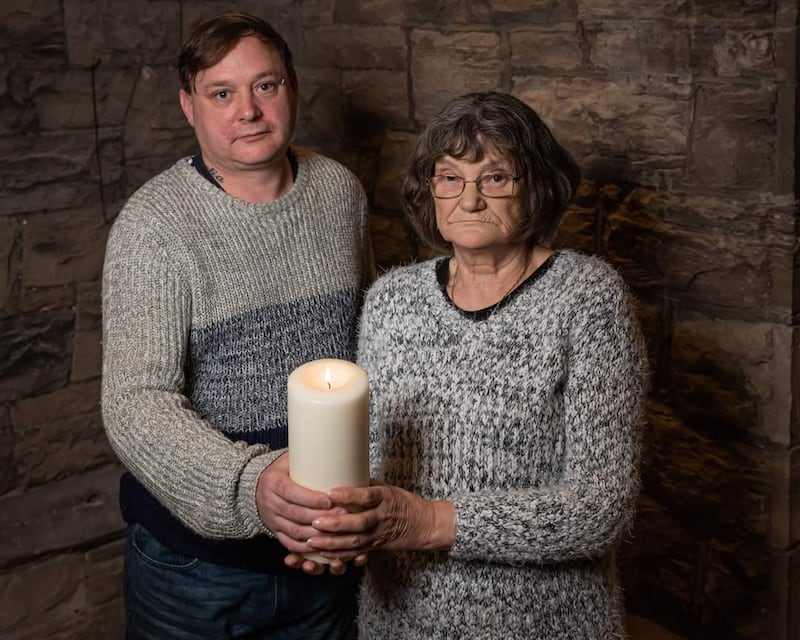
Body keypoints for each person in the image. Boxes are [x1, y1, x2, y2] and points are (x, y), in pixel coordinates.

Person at [291, 91, 649, 639]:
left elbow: (601, 510)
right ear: (429, 189)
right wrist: (338, 526)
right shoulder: (392, 299)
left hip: (544, 623)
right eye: (450, 177)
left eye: (497, 177)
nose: (471, 199)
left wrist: (429, 521)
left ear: (539, 187)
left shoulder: (586, 297)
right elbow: (369, 467)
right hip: (399, 621)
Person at [101, 11, 372, 640]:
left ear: (293, 89)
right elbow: (135, 404)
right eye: (221, 93)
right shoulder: (155, 226)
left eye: (265, 86)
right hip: (197, 572)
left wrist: (353, 505)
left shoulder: (339, 192)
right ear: (188, 106)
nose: (247, 110)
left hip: (326, 555)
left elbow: (365, 355)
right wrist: (252, 486)